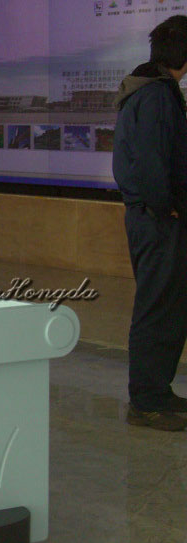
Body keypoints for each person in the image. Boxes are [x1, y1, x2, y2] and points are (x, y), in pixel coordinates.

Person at [114, 15, 187, 431]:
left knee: (170, 306)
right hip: (156, 220)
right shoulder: (157, 95)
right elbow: (151, 161)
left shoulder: (153, 89)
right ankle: (145, 402)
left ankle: (158, 391)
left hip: (155, 218)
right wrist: (166, 207)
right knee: (156, 308)